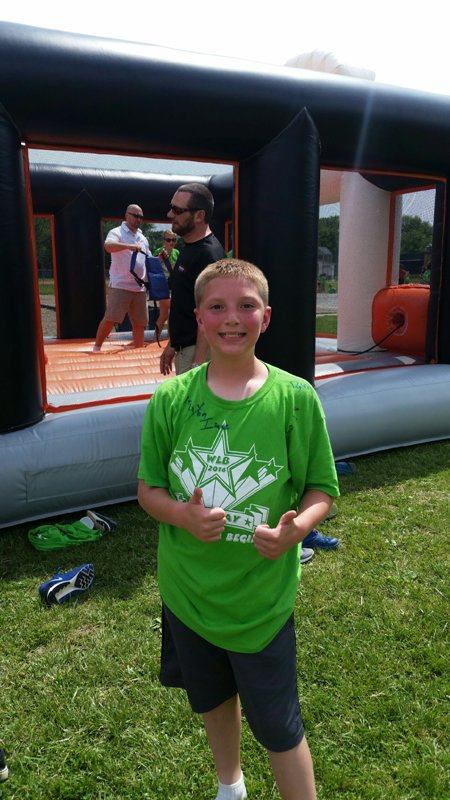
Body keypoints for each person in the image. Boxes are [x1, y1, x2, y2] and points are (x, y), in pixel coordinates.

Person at [138, 259, 340, 800]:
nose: (232, 318)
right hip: (188, 592)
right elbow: (148, 490)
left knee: (278, 723)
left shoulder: (295, 398)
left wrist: (297, 530)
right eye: (218, 306)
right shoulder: (170, 399)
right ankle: (231, 785)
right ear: (199, 318)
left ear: (266, 317)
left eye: (246, 305)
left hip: (260, 602)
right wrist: (182, 514)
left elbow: (321, 489)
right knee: (212, 699)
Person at [160, 183, 225, 375]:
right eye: (171, 207)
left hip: (198, 352)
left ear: (199, 216)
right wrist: (173, 344)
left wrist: (197, 365)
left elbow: (210, 314)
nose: (170, 214)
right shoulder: (190, 246)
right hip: (186, 348)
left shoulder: (209, 255)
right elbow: (186, 302)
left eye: (177, 210)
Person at [92, 204, 151, 352]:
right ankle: (97, 348)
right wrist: (128, 246)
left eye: (141, 217)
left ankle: (138, 349)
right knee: (111, 318)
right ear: (126, 215)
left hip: (139, 287)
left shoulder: (143, 238)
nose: (138, 219)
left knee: (140, 323)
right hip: (121, 285)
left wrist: (160, 259)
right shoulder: (117, 232)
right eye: (135, 216)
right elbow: (108, 246)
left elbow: (148, 257)